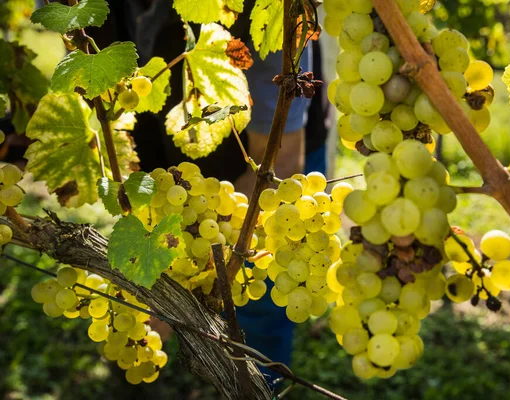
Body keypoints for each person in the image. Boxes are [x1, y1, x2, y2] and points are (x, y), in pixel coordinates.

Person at [88, 0, 331, 389]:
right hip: (177, 165)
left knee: (263, 305)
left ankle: (261, 386)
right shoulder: (79, 9)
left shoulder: (253, 10)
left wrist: (195, 277)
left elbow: (281, 161)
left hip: (267, 161)